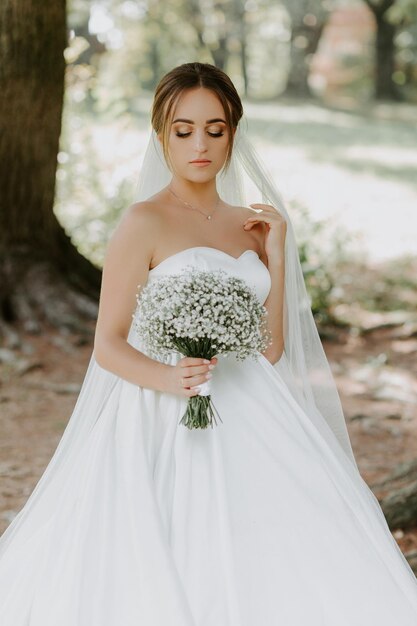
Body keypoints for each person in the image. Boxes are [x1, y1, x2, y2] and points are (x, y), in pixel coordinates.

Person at [0, 61, 416, 625]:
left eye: (214, 130)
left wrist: (276, 249)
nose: (200, 144)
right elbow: (108, 344)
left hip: (252, 407)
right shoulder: (142, 223)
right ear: (162, 135)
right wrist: (171, 378)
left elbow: (269, 350)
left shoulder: (253, 222)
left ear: (232, 135)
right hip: (161, 409)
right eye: (184, 130)